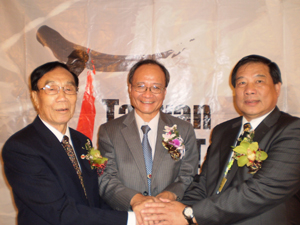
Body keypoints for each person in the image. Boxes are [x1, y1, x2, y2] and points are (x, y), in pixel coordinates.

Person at [141, 55, 300, 225]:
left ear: (277, 88)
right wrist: (173, 209)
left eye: (259, 81)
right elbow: (204, 184)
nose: (249, 90)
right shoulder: (223, 131)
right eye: (241, 83)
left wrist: (189, 214)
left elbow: (262, 189)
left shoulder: (292, 131)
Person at [2, 61, 133, 225]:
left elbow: (94, 196)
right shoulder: (21, 148)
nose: (62, 97)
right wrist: (132, 219)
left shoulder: (82, 141)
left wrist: (136, 209)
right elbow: (60, 212)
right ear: (35, 97)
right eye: (52, 89)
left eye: (68, 89)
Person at [98, 59, 199, 224]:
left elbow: (188, 174)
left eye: (156, 87)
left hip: (170, 218)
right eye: (140, 86)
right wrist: (135, 199)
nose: (147, 94)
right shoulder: (109, 131)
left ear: (164, 91)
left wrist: (171, 194)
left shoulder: (183, 129)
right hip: (129, 217)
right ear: (130, 88)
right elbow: (106, 178)